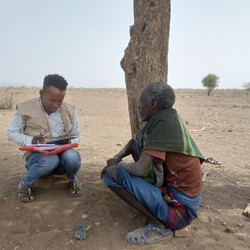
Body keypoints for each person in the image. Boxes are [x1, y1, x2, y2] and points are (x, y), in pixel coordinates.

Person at [101, 82, 204, 245]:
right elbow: (134, 141)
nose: (138, 107)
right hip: (179, 193)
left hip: (181, 210)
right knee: (137, 145)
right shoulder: (165, 118)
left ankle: (158, 225)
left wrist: (115, 167)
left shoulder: (163, 125)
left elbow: (140, 169)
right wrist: (118, 156)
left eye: (141, 103)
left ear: (153, 104)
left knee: (112, 175)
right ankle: (152, 201)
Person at [8, 74, 83, 203]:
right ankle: (26, 184)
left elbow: (76, 135)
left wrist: (69, 142)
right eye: (52, 100)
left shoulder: (69, 110)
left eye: (60, 101)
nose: (56, 105)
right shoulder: (25, 108)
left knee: (72, 158)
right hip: (38, 160)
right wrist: (31, 140)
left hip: (62, 159)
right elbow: (11, 133)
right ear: (41, 93)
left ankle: (72, 179)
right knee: (49, 160)